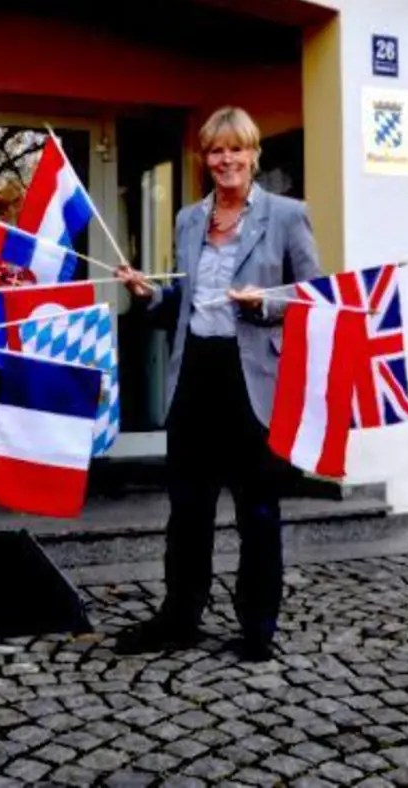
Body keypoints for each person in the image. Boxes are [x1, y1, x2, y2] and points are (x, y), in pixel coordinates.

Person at [112, 105, 323, 662]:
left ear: (254, 154)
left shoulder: (286, 216)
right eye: (215, 151)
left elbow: (314, 297)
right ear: (204, 159)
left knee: (257, 511)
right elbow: (184, 303)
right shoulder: (188, 220)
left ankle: (257, 627)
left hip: (251, 379)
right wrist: (149, 295)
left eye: (236, 149)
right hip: (195, 376)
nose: (226, 159)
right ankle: (180, 616)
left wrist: (263, 304)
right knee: (187, 510)